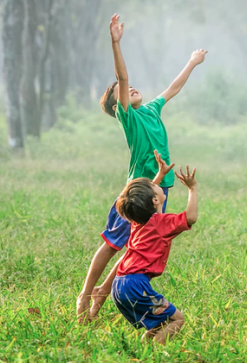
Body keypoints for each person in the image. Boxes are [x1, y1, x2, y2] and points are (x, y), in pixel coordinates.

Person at [76, 13, 207, 322]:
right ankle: (85, 295)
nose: (130, 87)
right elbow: (122, 78)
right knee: (112, 244)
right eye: (121, 91)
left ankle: (98, 302)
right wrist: (115, 42)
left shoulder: (150, 109)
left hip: (159, 188)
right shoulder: (129, 117)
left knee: (137, 248)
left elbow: (173, 88)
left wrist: (192, 62)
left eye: (132, 87)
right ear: (116, 106)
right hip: (137, 190)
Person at [110, 162, 198, 344]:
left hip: (119, 285)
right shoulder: (162, 224)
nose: (156, 184)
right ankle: (154, 356)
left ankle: (144, 350)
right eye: (155, 185)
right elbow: (191, 217)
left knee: (159, 323)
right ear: (155, 200)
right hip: (136, 286)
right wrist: (192, 189)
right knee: (177, 319)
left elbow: (143, 199)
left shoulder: (137, 221)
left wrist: (160, 174)